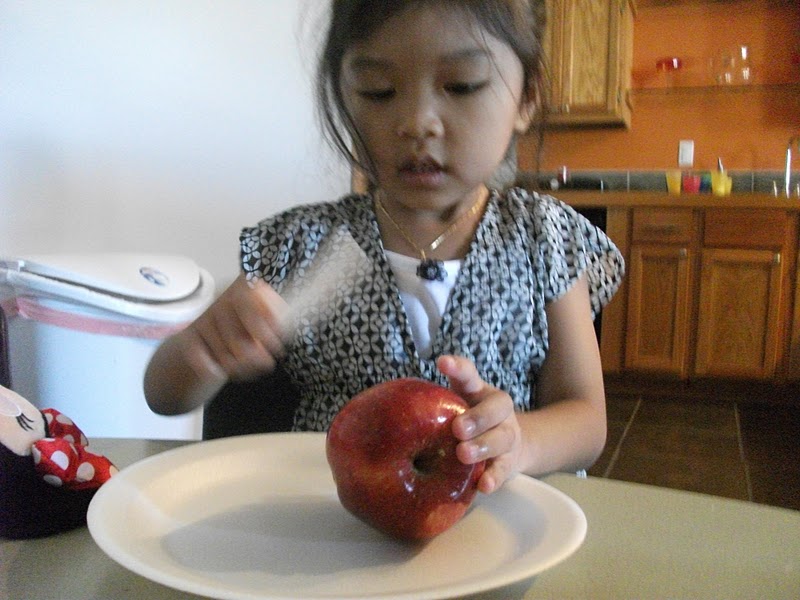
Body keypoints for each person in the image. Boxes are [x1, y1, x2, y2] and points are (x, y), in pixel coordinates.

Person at [144, 0, 624, 495]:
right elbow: (163, 396)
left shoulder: (543, 239)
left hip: (494, 520)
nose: (417, 123)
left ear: (526, 100)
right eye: (378, 91)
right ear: (343, 98)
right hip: (335, 526)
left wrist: (522, 441)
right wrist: (200, 351)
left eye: (461, 85)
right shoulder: (301, 246)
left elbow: (587, 421)